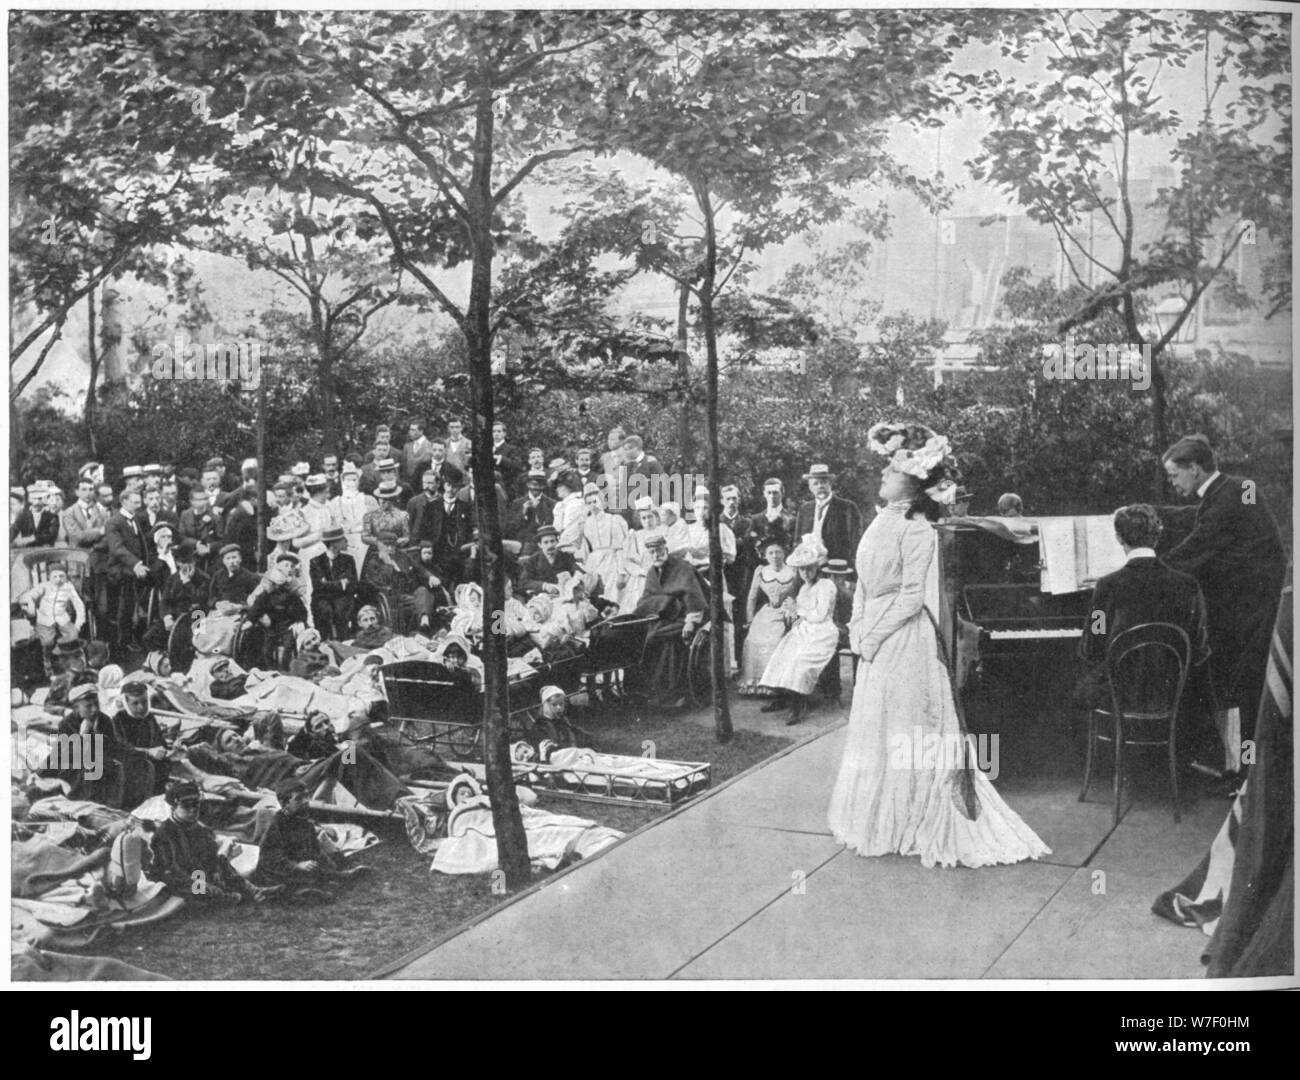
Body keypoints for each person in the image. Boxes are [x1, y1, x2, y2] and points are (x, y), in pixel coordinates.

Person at [827, 422, 1050, 867]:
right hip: (874, 633)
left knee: (906, 728)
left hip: (902, 638)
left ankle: (916, 817)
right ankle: (882, 817)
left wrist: (871, 635)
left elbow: (911, 596)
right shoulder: (880, 520)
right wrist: (855, 627)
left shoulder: (918, 529)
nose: (883, 477)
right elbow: (867, 584)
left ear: (911, 483)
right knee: (880, 726)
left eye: (891, 472)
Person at [1158, 434, 1287, 746]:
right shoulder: (1233, 488)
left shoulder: (1233, 494)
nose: (1173, 482)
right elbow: (1198, 516)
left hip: (1250, 612)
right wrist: (1148, 509)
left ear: (1195, 469)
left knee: (1235, 687)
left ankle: (1240, 771)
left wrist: (1150, 569)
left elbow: (1200, 541)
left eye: (1175, 475)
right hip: (1250, 605)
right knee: (1228, 685)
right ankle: (1235, 767)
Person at [1075, 504, 1214, 765]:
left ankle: (1099, 765)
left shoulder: (1107, 585)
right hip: (1173, 693)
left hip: (1121, 694)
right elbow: (1200, 649)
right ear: (1157, 536)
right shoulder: (1188, 585)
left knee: (1083, 681)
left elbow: (1091, 648)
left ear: (1118, 538)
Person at [757, 536, 839, 724]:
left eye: (809, 568)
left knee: (799, 661)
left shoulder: (826, 586)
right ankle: (780, 698)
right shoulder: (803, 588)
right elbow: (801, 613)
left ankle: (797, 705)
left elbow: (819, 614)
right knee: (781, 654)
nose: (806, 572)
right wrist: (792, 614)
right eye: (802, 569)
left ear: (817, 567)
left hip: (822, 631)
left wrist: (799, 611)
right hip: (804, 629)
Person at [150, 780, 270, 905]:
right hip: (176, 878)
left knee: (222, 862)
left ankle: (252, 890)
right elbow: (171, 870)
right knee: (208, 891)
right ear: (173, 807)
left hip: (197, 872)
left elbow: (211, 854)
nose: (192, 810)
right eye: (186, 806)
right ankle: (233, 898)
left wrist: (215, 870)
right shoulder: (164, 834)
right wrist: (204, 883)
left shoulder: (200, 828)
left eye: (196, 804)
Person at [251, 778, 370, 901]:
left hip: (299, 866)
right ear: (284, 803)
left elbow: (315, 849)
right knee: (291, 884)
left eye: (307, 796)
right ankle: (302, 891)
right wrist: (296, 865)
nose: (305, 801)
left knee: (318, 873)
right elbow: (270, 857)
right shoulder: (277, 824)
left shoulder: (304, 821)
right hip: (277, 871)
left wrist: (329, 865)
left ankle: (336, 877)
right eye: (299, 799)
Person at [631, 533, 706, 710]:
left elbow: (694, 597)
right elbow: (646, 599)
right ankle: (649, 691)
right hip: (662, 618)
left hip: (687, 617)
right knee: (643, 637)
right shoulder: (652, 572)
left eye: (658, 551)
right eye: (652, 552)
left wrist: (690, 622)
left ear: (666, 549)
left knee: (662, 639)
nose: (656, 555)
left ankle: (673, 692)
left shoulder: (682, 568)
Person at [739, 539, 798, 698]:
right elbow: (752, 597)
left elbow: (797, 595)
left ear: (784, 554)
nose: (775, 556)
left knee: (775, 642)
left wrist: (792, 613)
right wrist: (750, 619)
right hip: (766, 613)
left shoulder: (792, 571)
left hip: (785, 612)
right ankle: (756, 684)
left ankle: (775, 685)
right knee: (753, 640)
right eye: (771, 553)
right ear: (765, 555)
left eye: (778, 552)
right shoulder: (761, 571)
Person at [19, 560, 86, 678]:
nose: (58, 579)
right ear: (50, 577)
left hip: (62, 618)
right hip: (45, 619)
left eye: (61, 576)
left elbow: (79, 604)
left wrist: (78, 624)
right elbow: (29, 596)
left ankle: (72, 666)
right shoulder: (44, 586)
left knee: (73, 636)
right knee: (48, 642)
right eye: (55, 576)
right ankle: (48, 666)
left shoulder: (69, 587)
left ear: (66, 576)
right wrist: (30, 608)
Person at [104, 488, 150, 658]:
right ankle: (124, 641)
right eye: (135, 502)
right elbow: (117, 549)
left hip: (134, 567)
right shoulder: (114, 522)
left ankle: (141, 632)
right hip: (120, 569)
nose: (139, 506)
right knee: (125, 606)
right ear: (124, 502)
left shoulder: (134, 518)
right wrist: (136, 564)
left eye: (139, 502)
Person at [245, 552, 310, 668]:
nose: (289, 569)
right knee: (266, 647)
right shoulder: (267, 588)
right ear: (277, 567)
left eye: (291, 566)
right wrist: (253, 618)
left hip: (287, 624)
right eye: (286, 565)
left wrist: (300, 621)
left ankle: (286, 667)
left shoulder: (293, 590)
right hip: (270, 624)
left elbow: (300, 607)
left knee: (289, 645)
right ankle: (269, 668)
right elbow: (256, 603)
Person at [796, 463, 864, 566]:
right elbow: (797, 540)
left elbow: (856, 541)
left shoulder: (847, 507)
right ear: (810, 487)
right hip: (809, 567)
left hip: (837, 567)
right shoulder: (805, 509)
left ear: (830, 484)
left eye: (823, 482)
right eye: (816, 483)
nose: (820, 486)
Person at [111, 679, 170, 795]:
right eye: (135, 703)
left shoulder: (149, 718)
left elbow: (159, 742)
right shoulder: (117, 721)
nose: (141, 707)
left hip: (151, 765)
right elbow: (123, 749)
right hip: (129, 768)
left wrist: (165, 749)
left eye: (144, 702)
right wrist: (149, 752)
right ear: (125, 703)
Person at [580, 482, 628, 607]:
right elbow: (585, 549)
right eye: (589, 503)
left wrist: (621, 572)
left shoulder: (612, 519)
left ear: (602, 501)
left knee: (612, 591)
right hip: (594, 561)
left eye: (595, 501)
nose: (593, 505)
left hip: (611, 560)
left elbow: (620, 548)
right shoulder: (586, 524)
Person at [310, 526, 358, 640]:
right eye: (342, 539)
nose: (346, 541)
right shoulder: (316, 561)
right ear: (333, 544)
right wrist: (341, 583)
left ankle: (343, 643)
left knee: (342, 610)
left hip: (343, 599)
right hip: (322, 599)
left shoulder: (348, 560)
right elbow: (318, 586)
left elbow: (352, 584)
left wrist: (328, 584)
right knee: (323, 611)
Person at [330, 461, 379, 573]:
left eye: (354, 480)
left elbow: (376, 522)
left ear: (359, 481)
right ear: (342, 481)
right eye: (347, 480)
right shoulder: (335, 502)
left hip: (364, 542)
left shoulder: (368, 500)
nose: (351, 483)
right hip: (343, 543)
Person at [619, 497, 662, 614]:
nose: (647, 521)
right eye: (644, 518)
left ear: (656, 517)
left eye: (650, 517)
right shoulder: (635, 536)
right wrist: (641, 572)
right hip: (642, 577)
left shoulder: (664, 532)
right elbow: (628, 561)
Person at [517, 525, 581, 598]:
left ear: (557, 542)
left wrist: (572, 581)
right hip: (542, 596)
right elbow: (523, 582)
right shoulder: (533, 560)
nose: (550, 545)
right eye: (546, 542)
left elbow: (578, 572)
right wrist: (544, 586)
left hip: (564, 596)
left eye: (552, 541)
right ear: (540, 545)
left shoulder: (565, 556)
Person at [506, 470, 555, 555]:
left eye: (540, 485)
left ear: (544, 486)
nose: (536, 488)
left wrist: (540, 509)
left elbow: (551, 524)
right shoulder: (517, 503)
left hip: (545, 542)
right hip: (525, 542)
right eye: (534, 484)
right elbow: (511, 527)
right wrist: (523, 512)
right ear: (528, 484)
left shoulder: (551, 503)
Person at [401, 420, 434, 486]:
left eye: (413, 430)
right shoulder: (407, 446)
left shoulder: (430, 446)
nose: (410, 432)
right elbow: (404, 467)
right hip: (408, 484)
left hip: (423, 484)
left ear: (421, 431)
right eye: (410, 430)